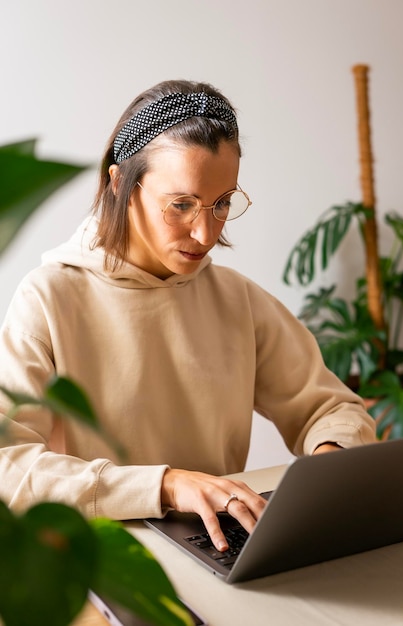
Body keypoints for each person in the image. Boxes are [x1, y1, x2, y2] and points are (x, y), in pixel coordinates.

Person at [0, 79, 376, 553]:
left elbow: (333, 408)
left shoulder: (235, 298)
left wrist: (329, 460)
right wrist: (166, 485)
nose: (205, 232)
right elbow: (7, 465)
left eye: (222, 204)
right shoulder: (50, 297)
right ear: (120, 185)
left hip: (222, 545)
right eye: (180, 205)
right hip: (104, 558)